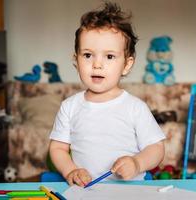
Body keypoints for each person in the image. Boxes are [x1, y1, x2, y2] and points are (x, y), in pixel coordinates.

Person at [49, 2, 165, 187]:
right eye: (88, 55)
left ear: (126, 65)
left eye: (109, 56)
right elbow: (58, 148)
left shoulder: (135, 108)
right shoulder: (69, 106)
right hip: (86, 191)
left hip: (131, 190)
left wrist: (137, 163)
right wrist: (70, 170)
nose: (97, 64)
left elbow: (156, 148)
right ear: (76, 60)